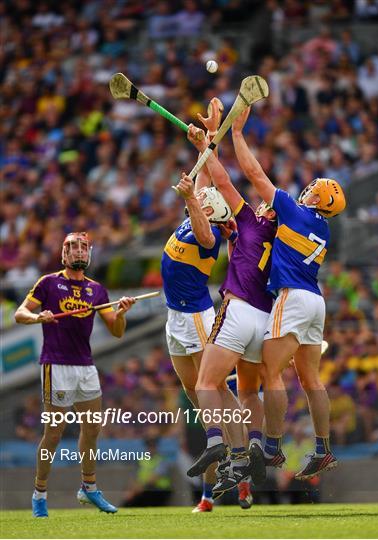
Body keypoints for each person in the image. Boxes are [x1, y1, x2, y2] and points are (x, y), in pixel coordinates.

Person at [231, 107, 346, 480]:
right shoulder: (323, 229)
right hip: (317, 302)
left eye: (314, 187)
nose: (308, 186)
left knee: (270, 371)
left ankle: (272, 446)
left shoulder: (295, 211)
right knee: (312, 380)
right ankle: (323, 448)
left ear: (317, 199)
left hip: (293, 297)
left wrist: (236, 135)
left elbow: (254, 174)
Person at [181, 124, 277, 499]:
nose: (261, 203)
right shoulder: (279, 237)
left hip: (237, 311)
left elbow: (221, 182)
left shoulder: (254, 220)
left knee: (206, 384)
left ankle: (216, 442)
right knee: (249, 392)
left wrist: (208, 145)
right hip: (265, 320)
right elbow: (228, 230)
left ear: (266, 212)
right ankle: (251, 446)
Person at [15, 232, 136, 517]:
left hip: (86, 366)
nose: (77, 251)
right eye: (71, 247)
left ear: (89, 253)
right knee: (54, 434)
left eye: (82, 247)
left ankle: (89, 488)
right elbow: (19, 313)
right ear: (63, 254)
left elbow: (117, 333)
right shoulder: (48, 283)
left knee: (92, 429)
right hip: (56, 365)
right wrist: (37, 317)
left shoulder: (97, 290)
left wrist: (121, 314)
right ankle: (39, 493)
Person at [161, 98, 237, 513]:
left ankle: (237, 455)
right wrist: (205, 141)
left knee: (215, 393)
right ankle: (212, 487)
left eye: (207, 200)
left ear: (215, 211)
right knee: (195, 396)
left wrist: (193, 195)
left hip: (196, 315)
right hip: (175, 318)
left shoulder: (208, 233)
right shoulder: (199, 209)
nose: (204, 196)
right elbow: (210, 174)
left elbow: (208, 234)